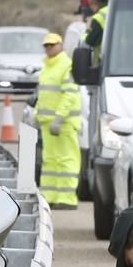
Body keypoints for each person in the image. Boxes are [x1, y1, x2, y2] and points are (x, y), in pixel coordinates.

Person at [35, 32, 81, 210]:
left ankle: (67, 198)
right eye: (46, 46)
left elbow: (69, 95)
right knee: (50, 160)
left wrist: (59, 118)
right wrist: (37, 114)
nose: (49, 48)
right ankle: (49, 196)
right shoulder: (47, 67)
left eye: (52, 45)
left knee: (66, 160)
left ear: (60, 45)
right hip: (48, 123)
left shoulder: (66, 65)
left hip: (63, 123)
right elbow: (44, 93)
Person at [83, 0, 108, 64]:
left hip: (103, 61)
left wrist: (87, 29)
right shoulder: (114, 10)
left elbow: (87, 43)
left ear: (92, 1)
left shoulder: (98, 18)